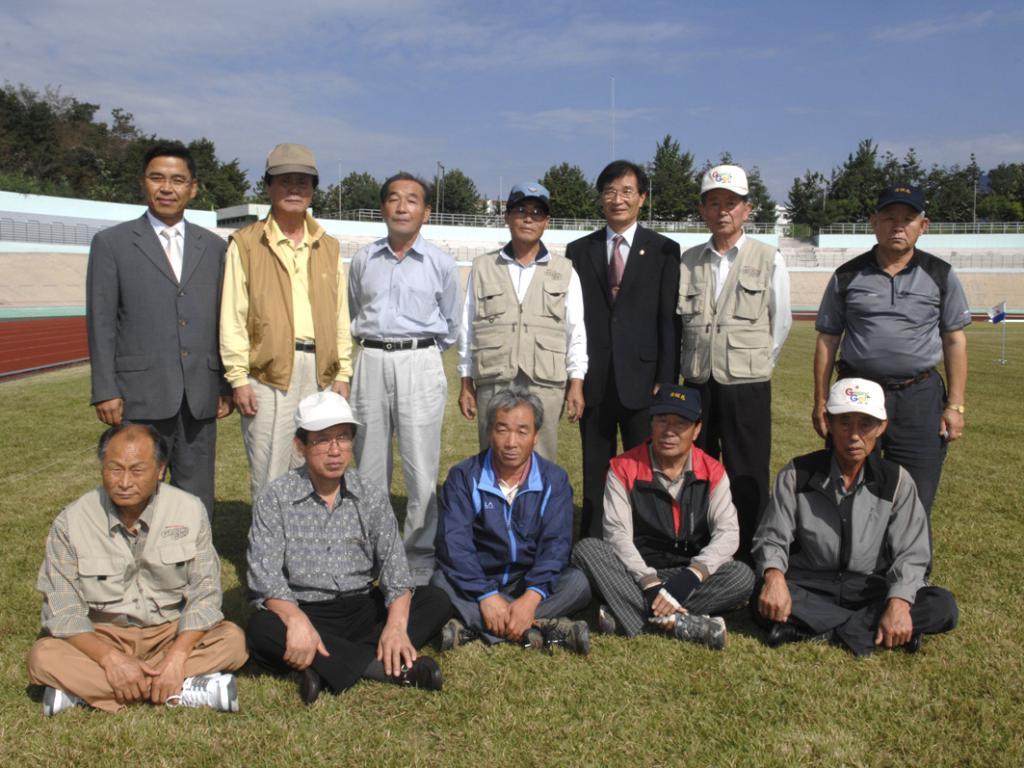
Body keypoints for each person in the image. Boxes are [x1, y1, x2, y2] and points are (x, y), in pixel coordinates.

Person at [246, 391, 452, 704]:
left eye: (343, 438)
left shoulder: (369, 494)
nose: (335, 450)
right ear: (300, 446)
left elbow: (396, 571)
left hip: (362, 607)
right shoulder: (275, 498)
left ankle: (321, 665)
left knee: (434, 600)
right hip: (305, 608)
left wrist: (396, 626)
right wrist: (297, 620)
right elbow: (266, 579)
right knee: (261, 629)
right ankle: (381, 667)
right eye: (322, 440)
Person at [27, 424, 248, 716]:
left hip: (169, 631)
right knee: (43, 657)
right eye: (115, 469)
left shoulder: (190, 510)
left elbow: (205, 595)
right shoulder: (71, 521)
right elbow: (63, 611)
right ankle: (184, 689)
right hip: (103, 635)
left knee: (233, 640)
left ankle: (84, 692)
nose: (124, 482)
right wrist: (110, 659)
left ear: (160, 470)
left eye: (137, 470)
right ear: (102, 468)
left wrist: (177, 656)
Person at [753, 378, 959, 656]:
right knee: (760, 598)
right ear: (829, 422)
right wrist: (775, 577)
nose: (854, 435)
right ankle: (874, 632)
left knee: (942, 605)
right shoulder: (797, 473)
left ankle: (817, 631)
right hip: (813, 582)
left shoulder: (896, 480)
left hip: (871, 586)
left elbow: (911, 553)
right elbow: (772, 535)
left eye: (866, 425)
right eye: (844, 422)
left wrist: (898, 602)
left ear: (882, 427)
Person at [86, 143, 231, 518]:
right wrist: (105, 388)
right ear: (143, 183)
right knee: (137, 485)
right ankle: (134, 559)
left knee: (197, 489)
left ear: (193, 188)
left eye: (178, 180)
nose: (167, 187)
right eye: (158, 178)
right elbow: (101, 322)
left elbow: (226, 321)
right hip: (140, 393)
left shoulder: (215, 248)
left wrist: (226, 385)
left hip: (200, 393)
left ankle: (192, 562)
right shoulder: (112, 244)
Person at [813, 184, 970, 517]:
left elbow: (954, 340)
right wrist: (821, 401)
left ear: (922, 226)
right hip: (858, 395)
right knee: (849, 489)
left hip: (918, 398)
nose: (898, 226)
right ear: (873, 222)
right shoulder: (847, 275)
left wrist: (955, 404)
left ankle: (909, 569)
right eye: (889, 217)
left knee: (916, 496)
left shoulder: (941, 275)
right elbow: (828, 338)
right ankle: (852, 566)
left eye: (908, 218)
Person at [572, 385, 754, 650]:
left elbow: (728, 534)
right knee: (587, 550)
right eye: (662, 420)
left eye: (681, 423)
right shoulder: (622, 468)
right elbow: (617, 534)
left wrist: (692, 576)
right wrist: (648, 583)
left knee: (742, 576)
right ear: (651, 423)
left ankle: (629, 615)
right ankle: (681, 623)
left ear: (697, 429)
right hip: (635, 571)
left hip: (687, 571)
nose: (669, 431)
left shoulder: (713, 471)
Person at [220, 143, 353, 502]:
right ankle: (267, 554)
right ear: (267, 186)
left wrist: (343, 373)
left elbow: (340, 315)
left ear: (313, 188)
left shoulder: (329, 246)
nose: (294, 188)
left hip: (321, 373)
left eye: (303, 181)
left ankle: (307, 550)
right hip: (268, 374)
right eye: (285, 180)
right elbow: (232, 316)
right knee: (270, 469)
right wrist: (237, 377)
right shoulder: (245, 244)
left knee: (319, 465)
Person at [347, 172, 460, 585]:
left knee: (420, 465)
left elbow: (450, 323)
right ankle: (371, 549)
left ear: (425, 212)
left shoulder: (441, 263)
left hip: (420, 361)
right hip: (371, 359)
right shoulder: (364, 260)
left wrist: (420, 351)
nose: (401, 206)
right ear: (382, 208)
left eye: (412, 200)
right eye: (393, 198)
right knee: (369, 464)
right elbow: (354, 309)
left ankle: (417, 554)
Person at [677, 164, 792, 562]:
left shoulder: (769, 258)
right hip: (696, 381)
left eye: (731, 203)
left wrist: (753, 361)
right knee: (698, 467)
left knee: (748, 469)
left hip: (747, 383)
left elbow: (781, 323)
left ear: (747, 208)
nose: (722, 210)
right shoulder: (688, 260)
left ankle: (748, 552)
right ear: (703, 210)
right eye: (713, 203)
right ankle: (700, 543)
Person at [567, 160, 681, 539]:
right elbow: (574, 320)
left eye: (627, 191)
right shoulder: (578, 251)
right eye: (610, 191)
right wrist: (576, 379)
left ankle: (644, 539)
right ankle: (594, 541)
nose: (618, 199)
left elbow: (669, 320)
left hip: (644, 381)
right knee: (595, 466)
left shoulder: (664, 250)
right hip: (595, 381)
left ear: (642, 198)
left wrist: (665, 381)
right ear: (601, 198)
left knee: (644, 467)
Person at [433, 387, 592, 654]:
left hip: (528, 580)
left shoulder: (554, 479)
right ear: (489, 432)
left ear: (535, 436)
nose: (511, 442)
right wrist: (485, 595)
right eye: (502, 429)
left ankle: (478, 627)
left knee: (578, 584)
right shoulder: (463, 476)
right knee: (439, 582)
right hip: (479, 579)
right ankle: (540, 629)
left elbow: (556, 546)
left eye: (522, 431)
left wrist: (531, 597)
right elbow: (454, 544)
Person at [457, 182, 587, 460]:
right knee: (494, 454)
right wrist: (465, 381)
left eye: (538, 212)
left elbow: (576, 332)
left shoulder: (565, 271)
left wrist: (576, 383)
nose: (529, 218)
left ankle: (537, 505)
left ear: (546, 222)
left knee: (542, 456)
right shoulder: (482, 267)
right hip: (494, 377)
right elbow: (467, 328)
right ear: (507, 217)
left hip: (545, 382)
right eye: (521, 210)